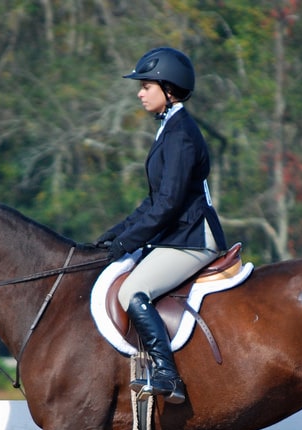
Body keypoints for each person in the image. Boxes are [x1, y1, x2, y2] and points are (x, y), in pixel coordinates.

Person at [95, 47, 228, 404]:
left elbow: (168, 204)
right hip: (176, 235)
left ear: (168, 89)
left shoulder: (181, 133)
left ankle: (168, 375)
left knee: (132, 292)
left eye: (146, 85)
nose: (139, 92)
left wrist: (130, 241)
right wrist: (119, 232)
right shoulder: (169, 129)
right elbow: (154, 201)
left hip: (193, 239)